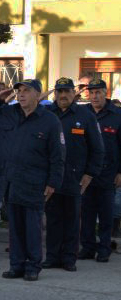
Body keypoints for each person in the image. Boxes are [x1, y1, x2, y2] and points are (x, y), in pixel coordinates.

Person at [0, 79, 65, 282]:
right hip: (10, 180)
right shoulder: (6, 114)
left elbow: (58, 155)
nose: (21, 94)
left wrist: (53, 183)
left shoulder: (49, 120)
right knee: (15, 226)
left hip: (35, 181)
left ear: (38, 94)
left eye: (27, 90)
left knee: (32, 227)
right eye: (19, 91)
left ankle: (33, 266)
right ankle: (16, 265)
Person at [44, 77, 104, 271]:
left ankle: (69, 259)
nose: (63, 95)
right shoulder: (46, 114)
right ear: (55, 94)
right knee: (52, 220)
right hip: (51, 178)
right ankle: (52, 257)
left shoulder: (86, 116)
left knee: (71, 221)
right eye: (59, 92)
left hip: (74, 178)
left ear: (73, 94)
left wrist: (90, 174)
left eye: (67, 92)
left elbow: (98, 149)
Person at [80, 78, 121, 263]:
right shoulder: (82, 113)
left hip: (108, 173)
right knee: (86, 213)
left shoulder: (117, 115)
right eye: (92, 92)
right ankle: (87, 247)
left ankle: (104, 248)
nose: (94, 96)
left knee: (106, 214)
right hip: (86, 173)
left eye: (98, 92)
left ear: (106, 92)